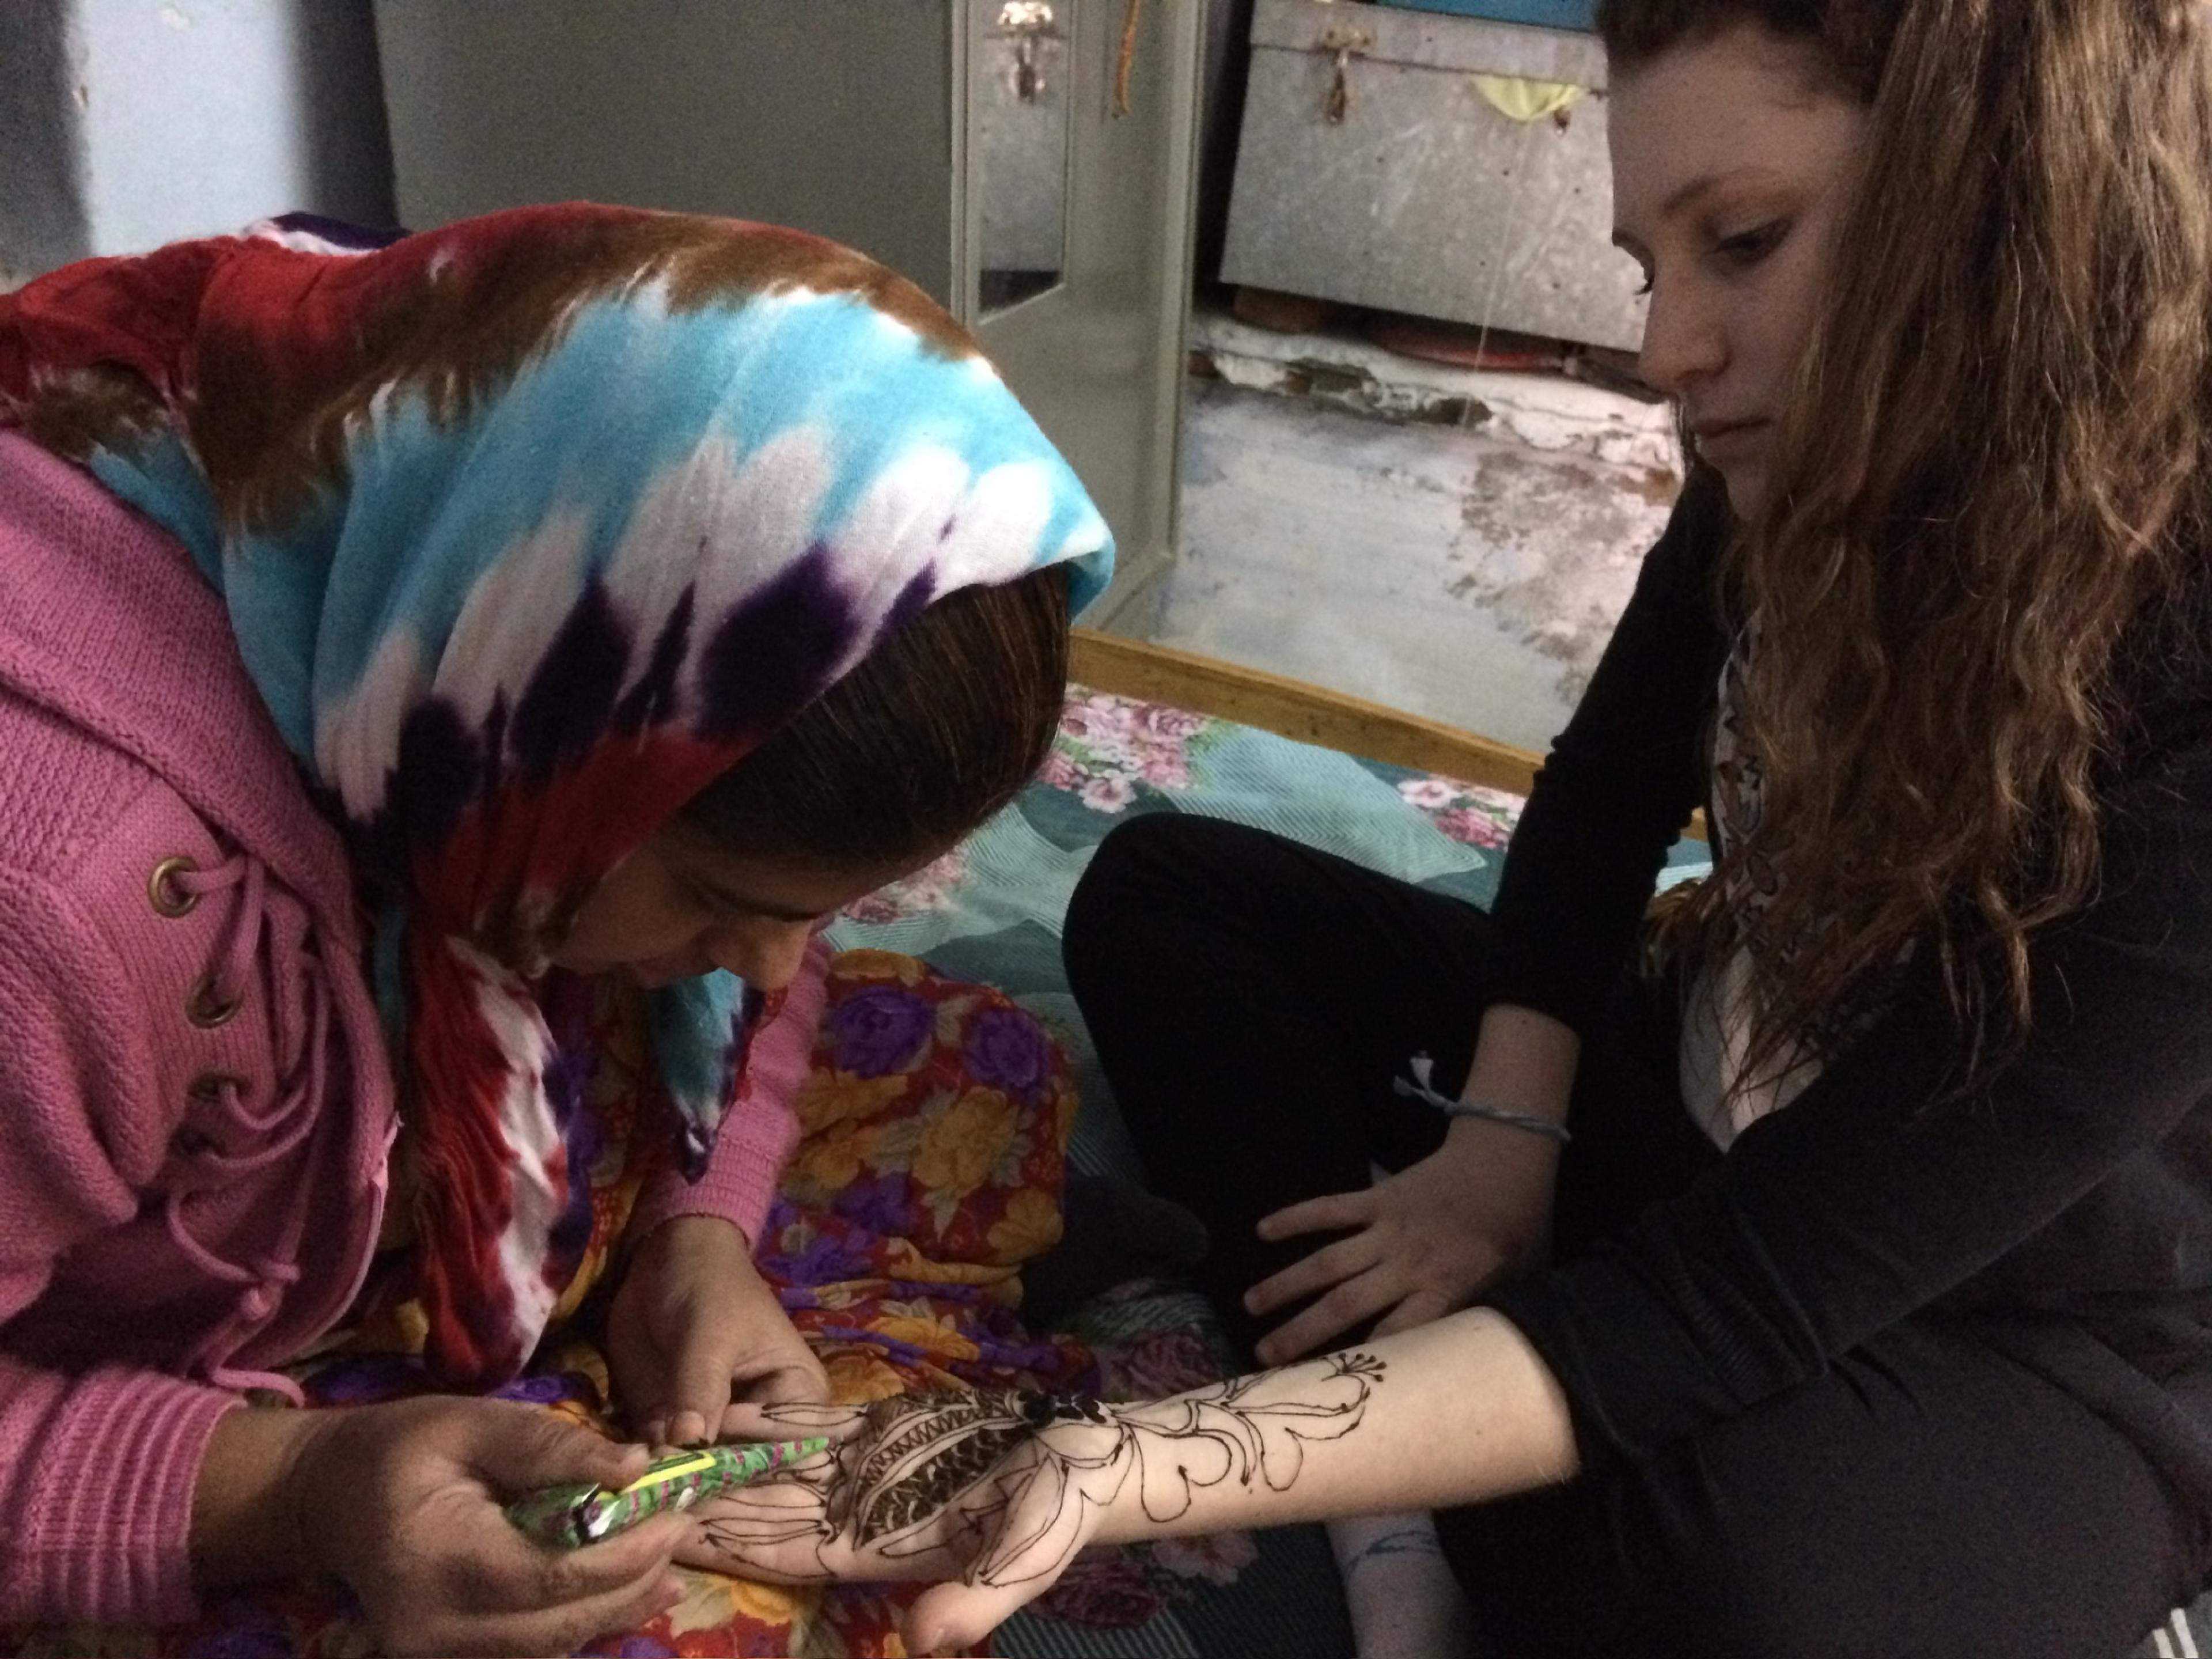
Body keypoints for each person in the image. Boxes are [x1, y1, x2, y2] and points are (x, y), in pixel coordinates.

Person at [673, 3, 2212, 1654]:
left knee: (1748, 1589)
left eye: (1745, 243)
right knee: (1167, 892)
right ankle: (1401, 1508)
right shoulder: (1798, 442)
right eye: (1647, 268)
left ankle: (1432, 1438)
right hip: (1681, 1123)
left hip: (2018, 1318)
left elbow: (1745, 1296)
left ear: (2008, 210)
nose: (1668, 347)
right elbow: (1609, 793)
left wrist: (1106, 1468)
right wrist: (1501, 1147)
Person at [0, 203, 1111, 1654]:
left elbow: (763, 934)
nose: (775, 969)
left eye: (812, 913)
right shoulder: (71, 910)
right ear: (529, 749)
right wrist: (291, 1488)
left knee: (980, 1068)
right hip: (135, 1375)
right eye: (725, 905)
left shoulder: (467, 544)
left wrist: (696, 1237)